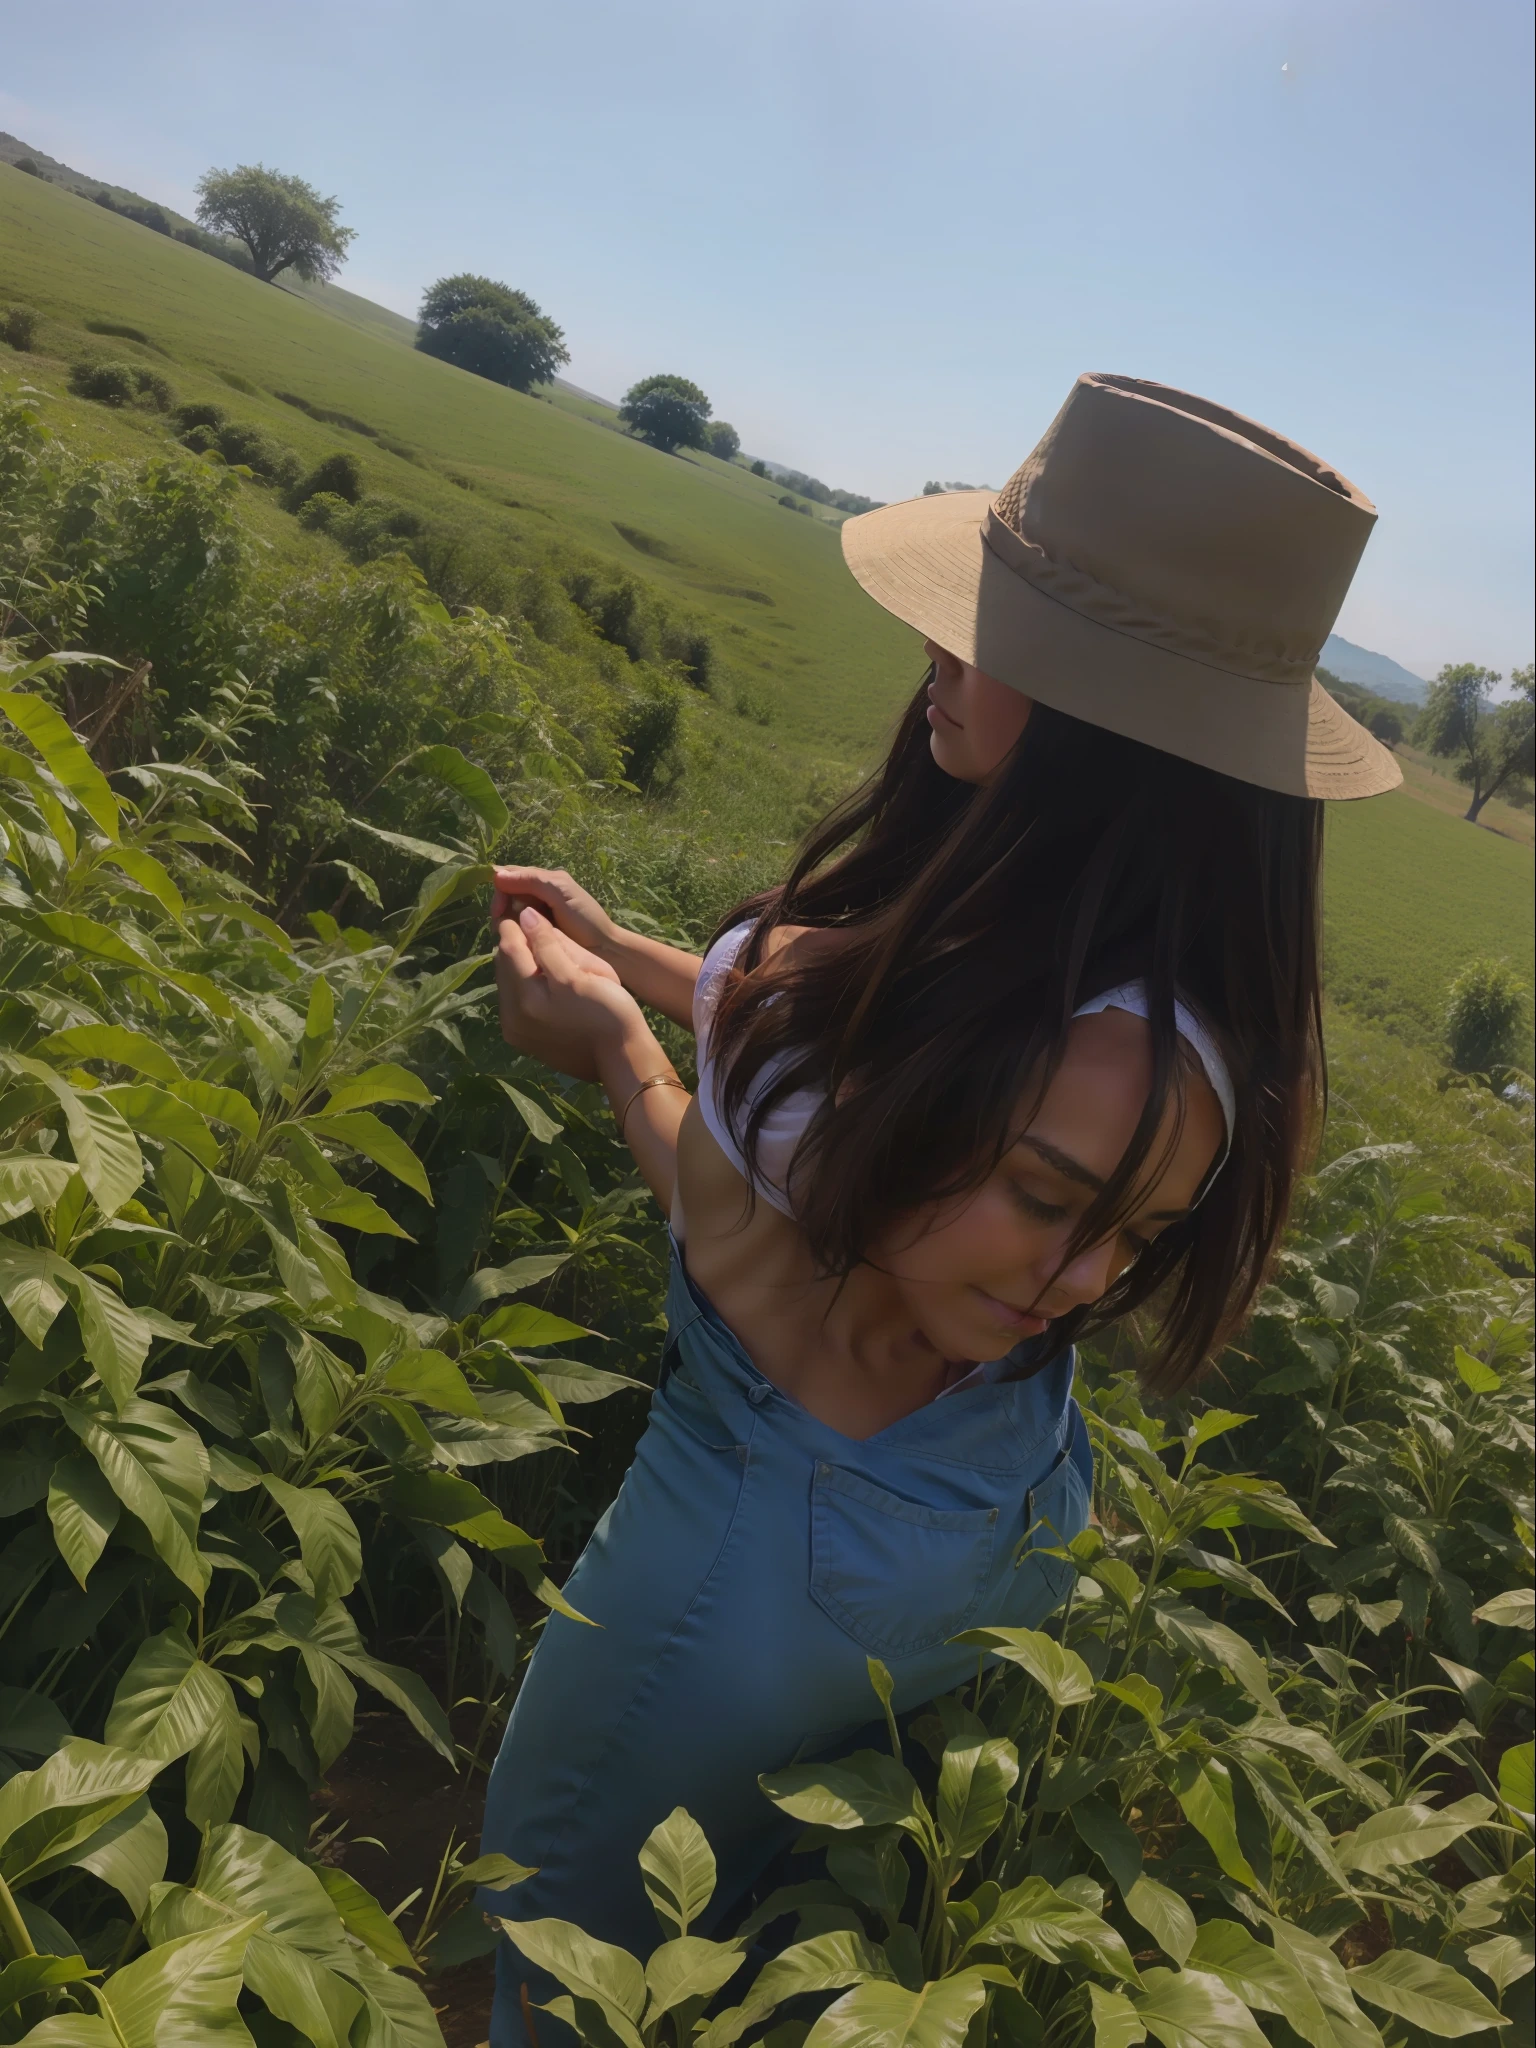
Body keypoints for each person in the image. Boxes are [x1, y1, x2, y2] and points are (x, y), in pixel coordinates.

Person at [476, 373, 1400, 2035]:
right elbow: (859, 1081)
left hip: (766, 1553)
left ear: (1105, 713)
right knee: (753, 1926)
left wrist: (618, 1050)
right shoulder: (1170, 994)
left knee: (563, 1944)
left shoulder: (1059, 1074)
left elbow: (798, 1272)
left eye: (984, 629)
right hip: (980, 1509)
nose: (935, 661)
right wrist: (647, 962)